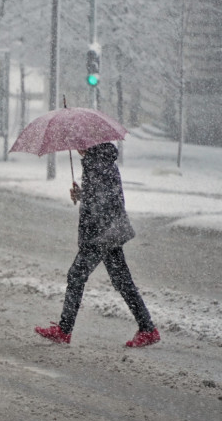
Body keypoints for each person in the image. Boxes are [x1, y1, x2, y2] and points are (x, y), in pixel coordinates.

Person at [35, 142, 160, 348]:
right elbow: (104, 197)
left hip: (100, 233)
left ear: (87, 144)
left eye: (78, 143)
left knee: (76, 275)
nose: (76, 147)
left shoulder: (96, 163)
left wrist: (87, 199)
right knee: (122, 280)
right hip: (108, 231)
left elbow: (104, 201)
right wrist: (82, 195)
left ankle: (64, 331)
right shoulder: (101, 161)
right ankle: (147, 328)